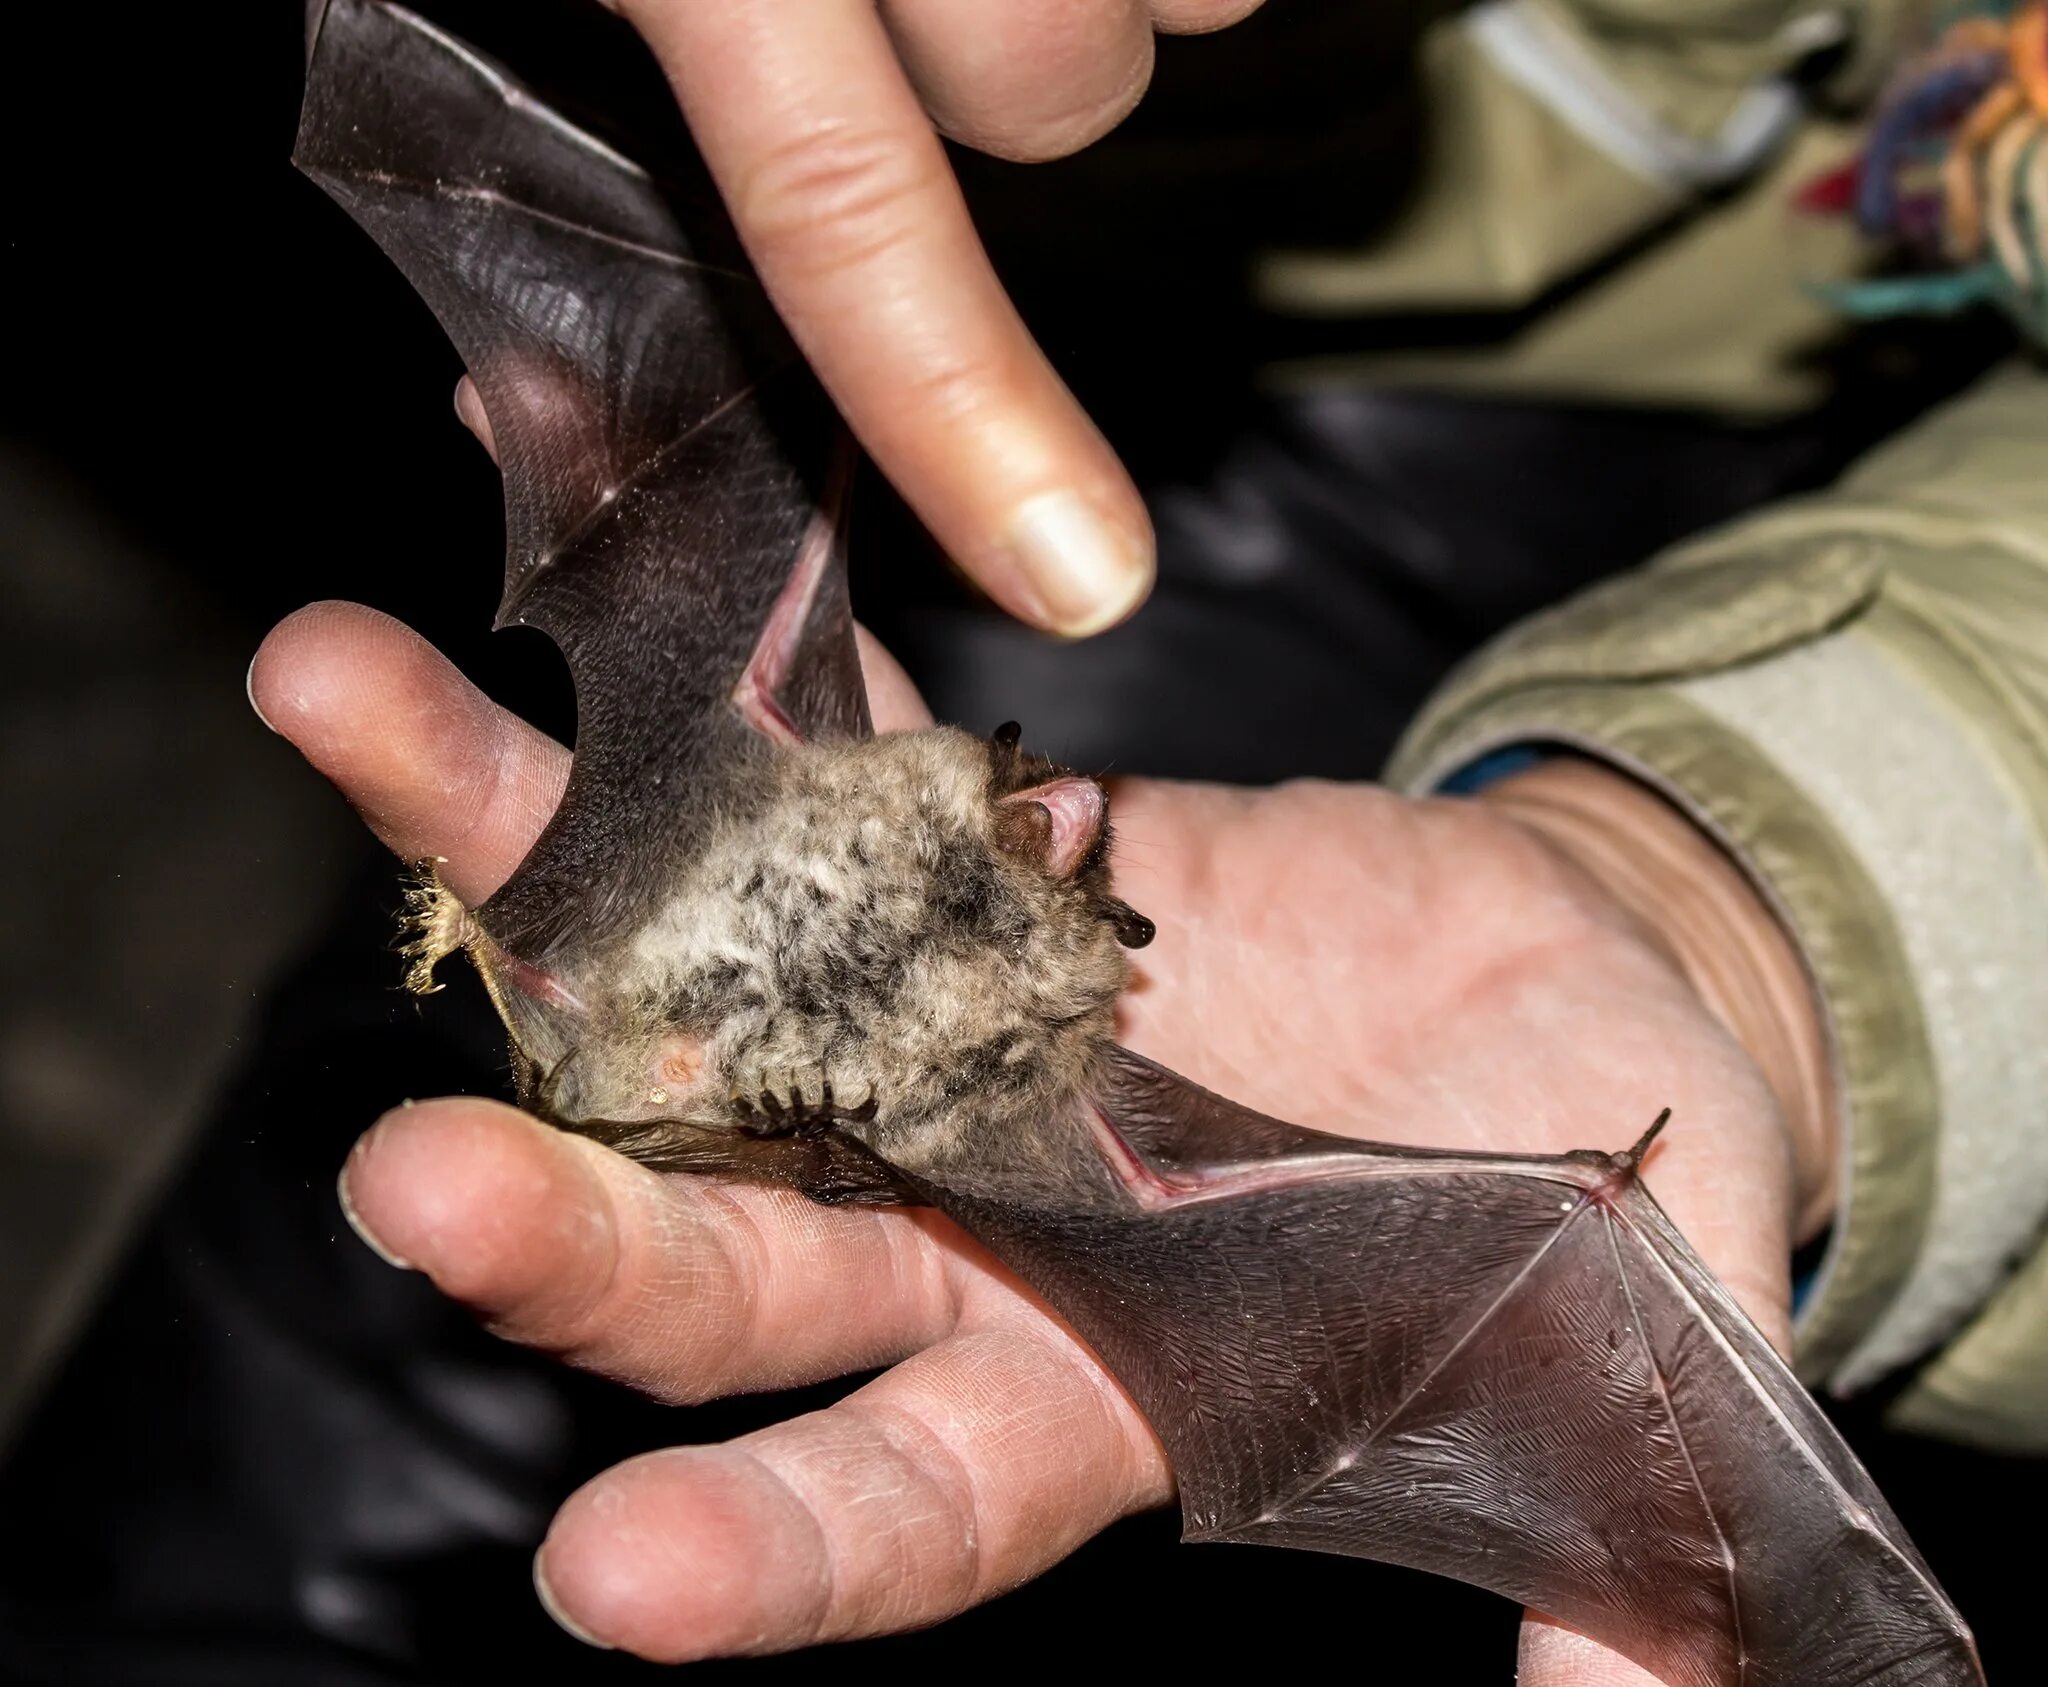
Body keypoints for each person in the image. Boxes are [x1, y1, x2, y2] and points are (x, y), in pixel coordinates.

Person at [249, 1, 2048, 1682]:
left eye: (1051, 834)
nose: (1074, 810)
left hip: (1622, 365)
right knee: (348, 1334)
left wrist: (1721, 922)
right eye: (1053, 816)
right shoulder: (912, 835)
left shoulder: (1050, 1059)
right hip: (1157, 227)